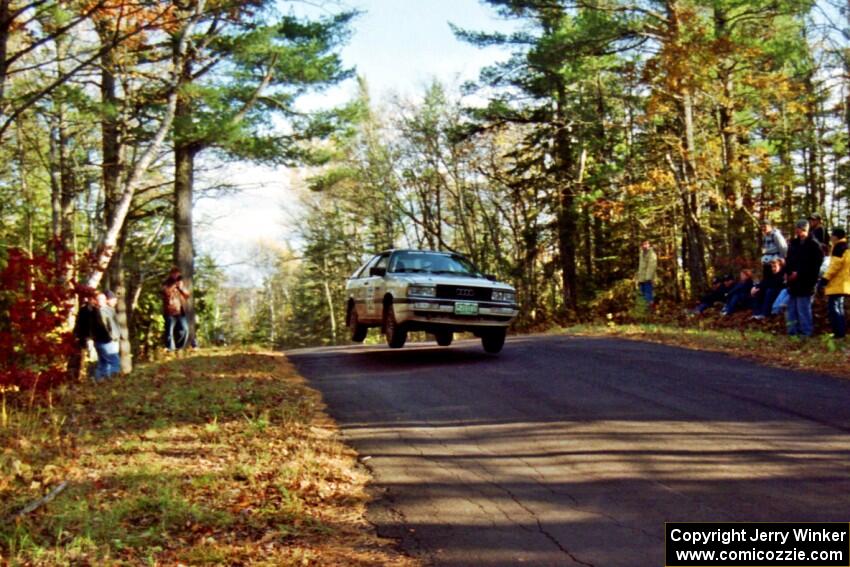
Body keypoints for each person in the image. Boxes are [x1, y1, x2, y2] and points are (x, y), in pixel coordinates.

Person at [785, 219, 824, 337]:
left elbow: (815, 265)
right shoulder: (794, 243)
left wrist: (800, 273)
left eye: (799, 228)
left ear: (804, 229)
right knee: (791, 309)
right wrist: (787, 273)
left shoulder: (814, 244)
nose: (797, 231)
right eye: (796, 228)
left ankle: (806, 332)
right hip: (793, 282)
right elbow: (789, 260)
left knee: (803, 309)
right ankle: (792, 332)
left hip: (806, 282)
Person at [821, 228, 850, 339]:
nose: (831, 237)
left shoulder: (839, 247)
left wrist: (825, 279)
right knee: (839, 307)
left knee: (834, 308)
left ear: (836, 236)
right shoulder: (845, 246)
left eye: (832, 235)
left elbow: (834, 266)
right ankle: (841, 333)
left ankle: (838, 334)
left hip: (837, 283)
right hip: (843, 283)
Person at [92, 291, 121, 381]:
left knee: (103, 363)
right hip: (106, 341)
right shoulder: (102, 311)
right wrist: (112, 337)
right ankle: (113, 382)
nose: (101, 301)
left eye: (102, 299)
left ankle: (99, 382)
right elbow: (108, 326)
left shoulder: (97, 311)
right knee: (114, 362)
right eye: (99, 299)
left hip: (100, 341)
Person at [162, 267, 190, 351]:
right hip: (170, 310)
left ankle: (179, 347)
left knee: (184, 330)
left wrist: (180, 288)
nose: (176, 275)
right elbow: (166, 293)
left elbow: (187, 295)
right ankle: (170, 349)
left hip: (180, 311)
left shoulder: (180, 284)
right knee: (169, 331)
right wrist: (174, 285)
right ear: (171, 274)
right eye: (174, 273)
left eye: (177, 273)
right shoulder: (166, 283)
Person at [636, 240, 657, 307]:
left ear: (649, 245)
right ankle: (644, 311)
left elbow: (652, 266)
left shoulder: (652, 254)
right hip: (641, 279)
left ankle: (649, 309)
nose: (645, 245)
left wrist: (648, 278)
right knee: (642, 294)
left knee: (648, 294)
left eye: (646, 244)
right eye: (643, 244)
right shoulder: (641, 254)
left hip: (648, 279)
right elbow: (640, 267)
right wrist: (638, 278)